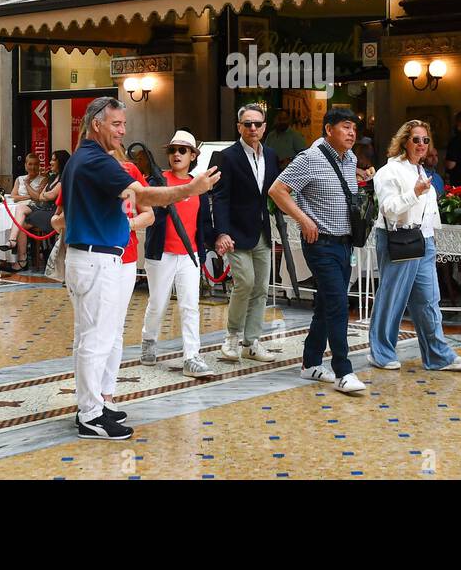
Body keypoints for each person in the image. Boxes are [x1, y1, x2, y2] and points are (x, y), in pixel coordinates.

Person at [62, 96, 219, 440]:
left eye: (124, 124)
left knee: (98, 336)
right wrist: (190, 188)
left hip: (97, 257)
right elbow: (144, 197)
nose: (123, 131)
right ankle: (90, 414)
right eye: (116, 124)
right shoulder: (95, 160)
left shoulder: (85, 158)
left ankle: (95, 404)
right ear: (97, 124)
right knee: (96, 338)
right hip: (96, 258)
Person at [269, 107, 369, 396]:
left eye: (354, 128)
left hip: (345, 242)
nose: (351, 133)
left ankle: (310, 363)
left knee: (327, 305)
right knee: (338, 304)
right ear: (328, 129)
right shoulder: (310, 158)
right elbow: (277, 191)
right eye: (346, 127)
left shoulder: (350, 159)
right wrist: (303, 219)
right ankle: (343, 371)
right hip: (320, 244)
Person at [371, 120, 461, 372]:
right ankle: (381, 353)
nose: (421, 144)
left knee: (428, 299)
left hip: (423, 240)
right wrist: (414, 193)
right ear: (404, 141)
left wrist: (432, 236)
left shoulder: (421, 171)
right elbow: (388, 209)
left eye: (425, 140)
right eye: (416, 139)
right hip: (398, 238)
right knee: (392, 298)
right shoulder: (389, 171)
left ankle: (438, 356)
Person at [141, 130, 217, 379]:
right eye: (173, 150)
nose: (176, 154)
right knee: (158, 303)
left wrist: (215, 241)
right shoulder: (157, 181)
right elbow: (145, 210)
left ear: (192, 155)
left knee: (190, 305)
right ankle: (149, 339)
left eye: (182, 150)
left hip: (189, 254)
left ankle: (191, 356)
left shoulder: (199, 185)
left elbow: (203, 222)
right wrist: (160, 204)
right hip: (161, 253)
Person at [210, 103, 282, 363]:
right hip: (235, 233)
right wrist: (222, 233)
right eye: (247, 124)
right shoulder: (227, 156)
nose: (253, 128)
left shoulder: (270, 155)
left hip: (262, 231)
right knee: (246, 282)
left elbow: (275, 191)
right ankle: (232, 336)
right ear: (239, 126)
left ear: (264, 127)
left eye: (257, 124)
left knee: (261, 287)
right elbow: (220, 197)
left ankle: (251, 343)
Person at [104, 145, 153, 407]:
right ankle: (89, 398)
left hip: (125, 256)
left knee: (115, 327)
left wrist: (126, 225)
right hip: (91, 257)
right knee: (92, 330)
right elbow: (59, 218)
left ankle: (107, 394)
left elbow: (148, 214)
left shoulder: (129, 172)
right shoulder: (82, 169)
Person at [6, 152, 50, 268]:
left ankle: (14, 245)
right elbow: (13, 196)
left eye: (35, 164)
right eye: (30, 164)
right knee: (17, 224)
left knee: (18, 218)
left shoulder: (43, 179)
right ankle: (14, 259)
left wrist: (27, 185)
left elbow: (38, 197)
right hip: (19, 210)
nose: (33, 167)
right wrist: (28, 196)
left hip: (35, 210)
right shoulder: (19, 179)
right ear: (25, 165)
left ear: (39, 165)